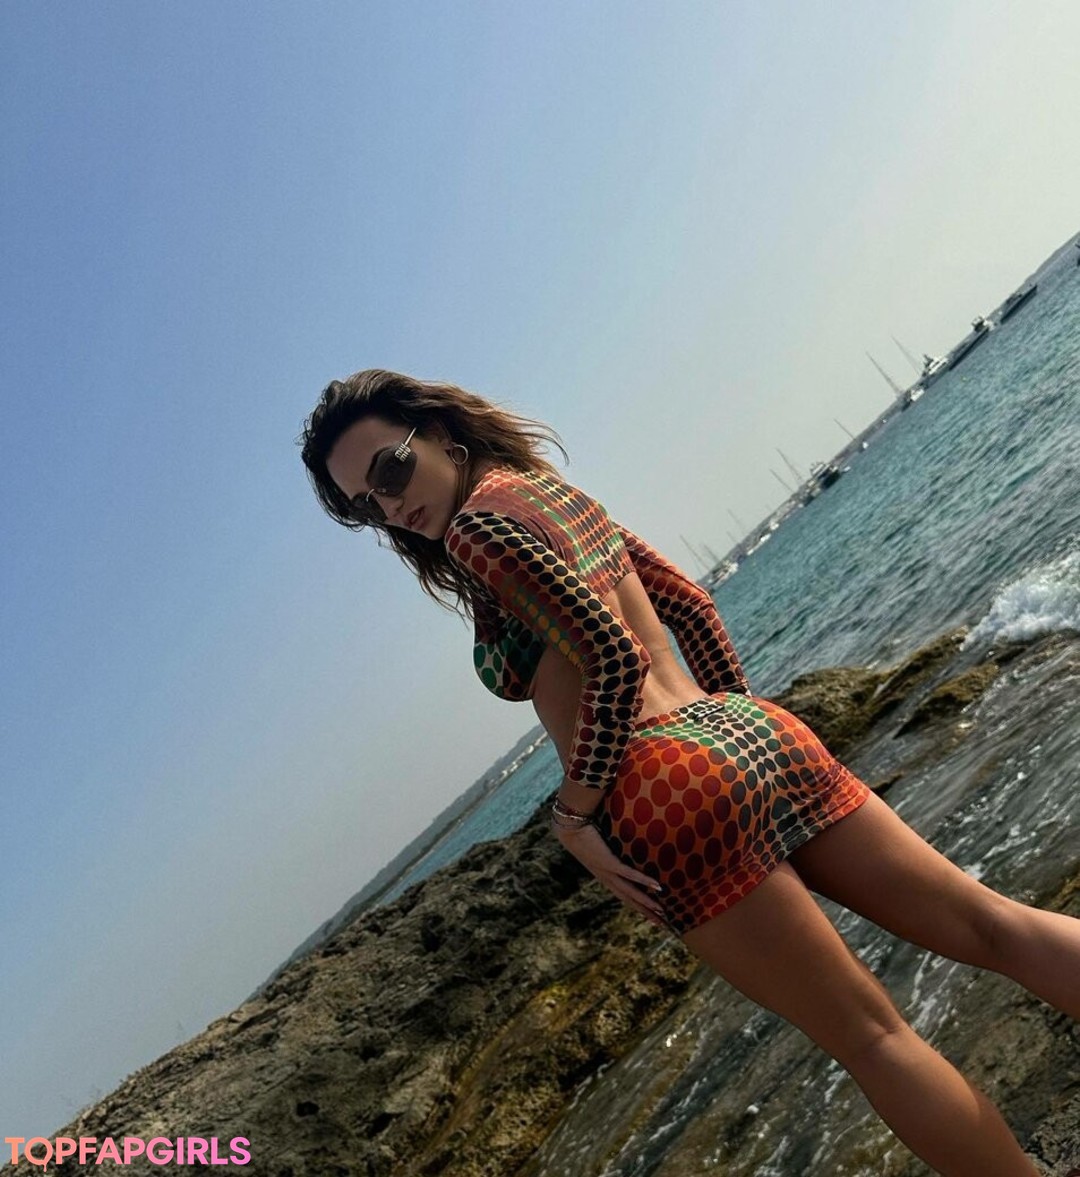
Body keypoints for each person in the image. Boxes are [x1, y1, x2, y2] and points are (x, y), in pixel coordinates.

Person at [299, 368, 1077, 1177]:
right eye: (365, 505)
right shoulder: (559, 497)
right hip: (748, 730)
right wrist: (731, 724)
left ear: (438, 434)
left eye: (390, 471)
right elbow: (692, 608)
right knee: (992, 924)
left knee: (874, 1037)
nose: (389, 506)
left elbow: (612, 656)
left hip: (660, 785)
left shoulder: (476, 532)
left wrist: (573, 816)